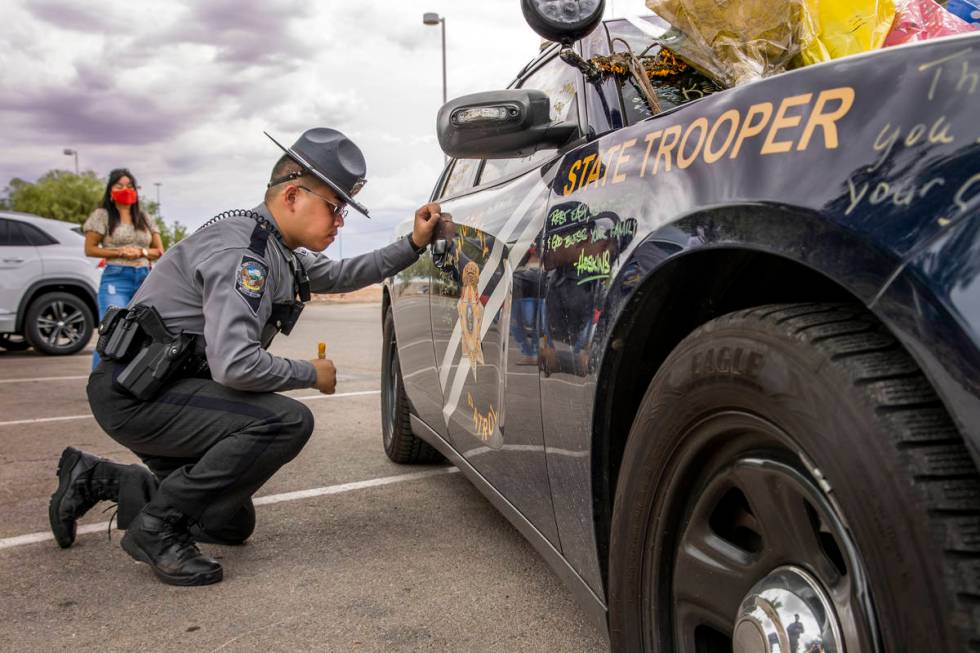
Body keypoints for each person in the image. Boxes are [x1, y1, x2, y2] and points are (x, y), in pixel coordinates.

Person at [49, 127, 440, 586]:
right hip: (139, 395)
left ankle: (95, 478)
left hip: (166, 389)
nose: (340, 222)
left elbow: (344, 273)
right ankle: (154, 530)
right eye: (335, 208)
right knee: (286, 420)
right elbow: (234, 365)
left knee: (228, 524)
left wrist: (413, 243)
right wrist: (310, 374)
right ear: (293, 195)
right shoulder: (245, 254)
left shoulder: (277, 248)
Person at [83, 168, 165, 367]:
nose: (125, 189)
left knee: (145, 333)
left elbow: (159, 250)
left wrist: (142, 252)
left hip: (144, 277)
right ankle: (99, 385)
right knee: (112, 331)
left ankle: (132, 383)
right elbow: (90, 249)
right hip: (116, 278)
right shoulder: (102, 215)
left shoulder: (144, 217)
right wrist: (120, 252)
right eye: (119, 186)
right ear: (111, 190)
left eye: (129, 186)